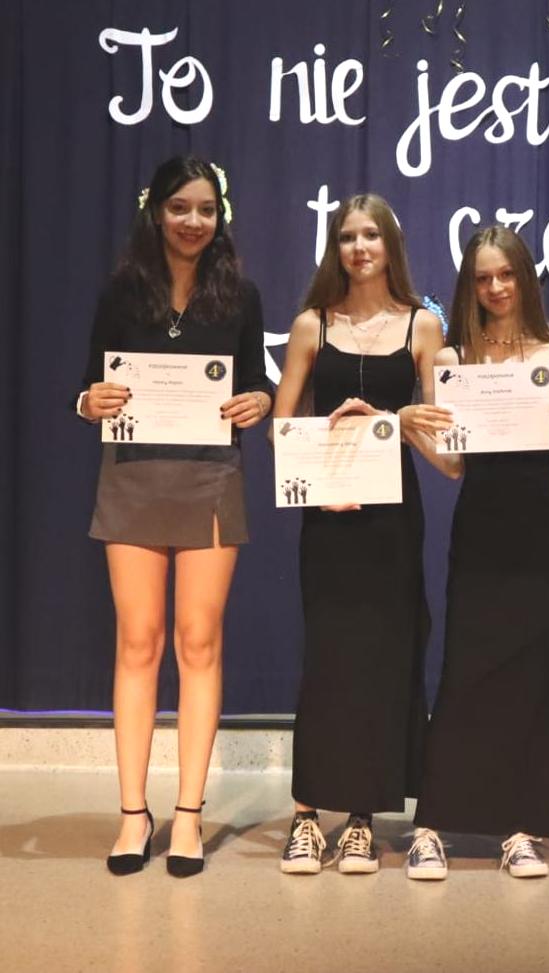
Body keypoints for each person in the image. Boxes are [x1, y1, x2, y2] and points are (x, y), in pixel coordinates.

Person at [76, 155, 272, 877]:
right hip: (132, 474)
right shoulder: (121, 290)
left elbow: (255, 382)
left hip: (210, 476)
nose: (194, 221)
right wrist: (87, 402)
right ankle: (134, 813)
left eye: (206, 209)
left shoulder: (240, 295)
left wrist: (258, 400)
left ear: (221, 217)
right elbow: (89, 385)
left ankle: (188, 813)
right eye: (180, 207)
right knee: (138, 642)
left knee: (198, 641)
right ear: (155, 211)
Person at [403, 226, 549, 881]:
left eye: (505, 274)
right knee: (465, 671)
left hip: (543, 529)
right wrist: (409, 427)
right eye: (483, 277)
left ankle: (520, 828)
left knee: (535, 679)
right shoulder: (452, 359)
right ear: (470, 286)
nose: (496, 287)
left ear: (523, 277)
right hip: (481, 524)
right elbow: (454, 465)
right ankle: (431, 826)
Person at [272, 194, 447, 875]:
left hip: (391, 519)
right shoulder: (310, 325)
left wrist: (395, 421)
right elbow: (280, 428)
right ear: (335, 247)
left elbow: (440, 433)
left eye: (371, 235)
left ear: (390, 245)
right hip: (328, 512)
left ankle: (361, 821)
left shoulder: (423, 325)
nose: (359, 247)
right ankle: (306, 815)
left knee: (382, 659)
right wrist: (325, 446)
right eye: (348, 236)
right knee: (327, 660)